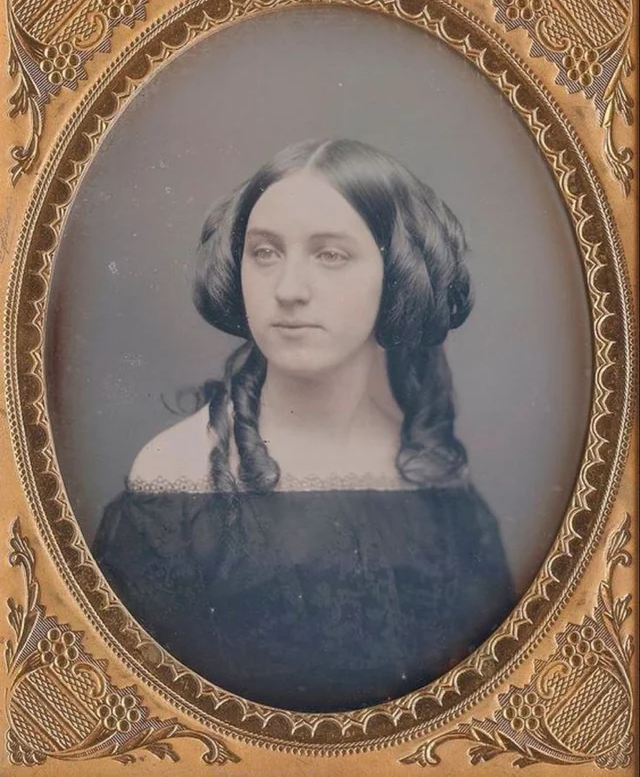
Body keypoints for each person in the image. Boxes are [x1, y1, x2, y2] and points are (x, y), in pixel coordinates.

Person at [92, 138, 514, 713]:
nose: (288, 289)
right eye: (265, 253)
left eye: (330, 255)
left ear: (395, 274)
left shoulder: (434, 478)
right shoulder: (178, 483)